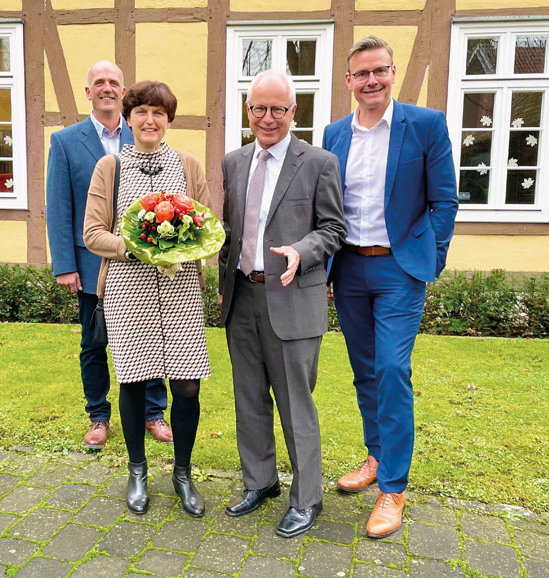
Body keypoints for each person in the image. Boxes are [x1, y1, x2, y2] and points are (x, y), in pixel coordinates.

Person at [322, 35, 458, 538]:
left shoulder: (424, 124)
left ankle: (394, 488)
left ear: (393, 72)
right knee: (365, 372)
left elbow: (445, 201)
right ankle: (377, 456)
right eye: (361, 74)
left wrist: (429, 260)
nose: (371, 81)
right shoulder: (335, 134)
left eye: (379, 70)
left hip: (399, 269)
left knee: (393, 369)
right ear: (350, 81)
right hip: (350, 268)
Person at [219, 70, 346, 538]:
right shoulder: (233, 162)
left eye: (277, 109)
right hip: (242, 297)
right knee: (248, 399)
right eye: (258, 108)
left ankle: (306, 499)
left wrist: (301, 251)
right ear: (247, 110)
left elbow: (334, 230)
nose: (267, 118)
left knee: (296, 404)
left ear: (294, 112)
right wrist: (222, 282)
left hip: (293, 298)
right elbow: (231, 233)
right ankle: (260, 482)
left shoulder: (319, 163)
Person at [83, 80, 211, 517]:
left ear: (169, 120)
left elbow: (211, 229)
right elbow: (92, 233)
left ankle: (182, 472)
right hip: (127, 288)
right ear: (129, 118)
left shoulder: (188, 164)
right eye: (141, 112)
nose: (150, 120)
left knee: (188, 386)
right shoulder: (110, 166)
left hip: (179, 292)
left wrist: (185, 242)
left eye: (159, 113)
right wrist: (133, 245)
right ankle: (137, 470)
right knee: (134, 381)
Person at [46, 61, 172, 451]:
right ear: (88, 92)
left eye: (113, 82)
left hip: (144, 266)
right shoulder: (66, 141)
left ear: (123, 92)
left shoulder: (141, 133)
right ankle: (98, 416)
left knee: (151, 339)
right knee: (94, 342)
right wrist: (65, 264)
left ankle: (154, 413)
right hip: (90, 263)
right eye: (98, 82)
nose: (106, 88)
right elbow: (58, 206)